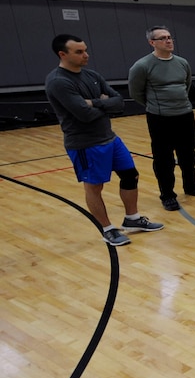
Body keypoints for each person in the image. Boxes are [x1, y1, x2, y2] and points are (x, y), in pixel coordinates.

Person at [46, 34, 163, 246]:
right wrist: (102, 105)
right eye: (79, 52)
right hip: (85, 144)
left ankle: (132, 219)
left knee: (130, 175)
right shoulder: (58, 82)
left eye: (85, 50)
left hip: (110, 138)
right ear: (62, 54)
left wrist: (93, 103)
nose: (85, 55)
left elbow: (119, 102)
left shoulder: (92, 75)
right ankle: (107, 229)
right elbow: (83, 114)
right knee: (94, 187)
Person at [128, 26, 195, 211]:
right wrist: (157, 106)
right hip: (160, 119)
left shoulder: (182, 63)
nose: (168, 40)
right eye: (162, 38)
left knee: (188, 154)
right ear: (152, 42)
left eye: (169, 37)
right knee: (163, 159)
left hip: (185, 115)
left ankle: (191, 186)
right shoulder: (142, 66)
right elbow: (136, 93)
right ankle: (167, 194)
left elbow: (186, 85)